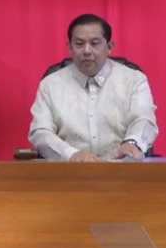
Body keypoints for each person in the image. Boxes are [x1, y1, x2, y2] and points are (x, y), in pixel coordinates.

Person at [28, 14, 158, 162]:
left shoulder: (133, 80)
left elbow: (144, 119)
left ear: (109, 47)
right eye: (79, 44)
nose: (87, 51)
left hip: (121, 170)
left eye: (95, 43)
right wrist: (71, 154)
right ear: (69, 47)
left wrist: (131, 143)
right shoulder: (50, 85)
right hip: (68, 172)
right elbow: (40, 132)